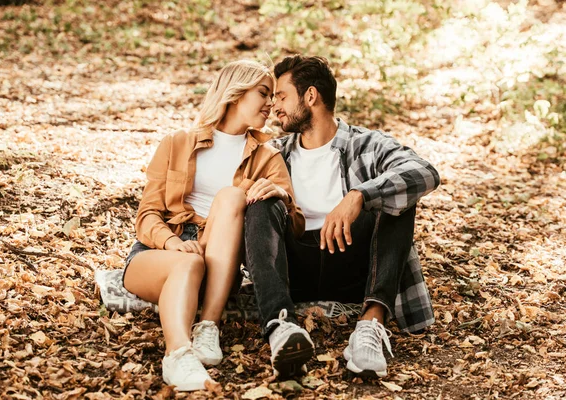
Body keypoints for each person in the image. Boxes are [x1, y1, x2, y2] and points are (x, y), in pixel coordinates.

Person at [243, 55, 440, 379]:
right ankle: (280, 325)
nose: (274, 106)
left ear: (310, 96)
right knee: (259, 199)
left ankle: (370, 328)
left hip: (351, 264)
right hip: (293, 268)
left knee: (395, 199)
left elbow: (424, 172)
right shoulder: (274, 152)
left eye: (281, 96)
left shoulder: (366, 144)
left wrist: (359, 196)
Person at [123, 60, 305, 391]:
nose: (271, 104)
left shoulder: (268, 157)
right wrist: (172, 243)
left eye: (274, 96)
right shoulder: (177, 142)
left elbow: (290, 229)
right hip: (161, 253)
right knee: (188, 262)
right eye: (263, 93)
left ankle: (209, 325)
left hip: (220, 261)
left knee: (233, 196)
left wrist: (280, 194)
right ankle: (178, 355)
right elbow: (147, 215)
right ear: (235, 93)